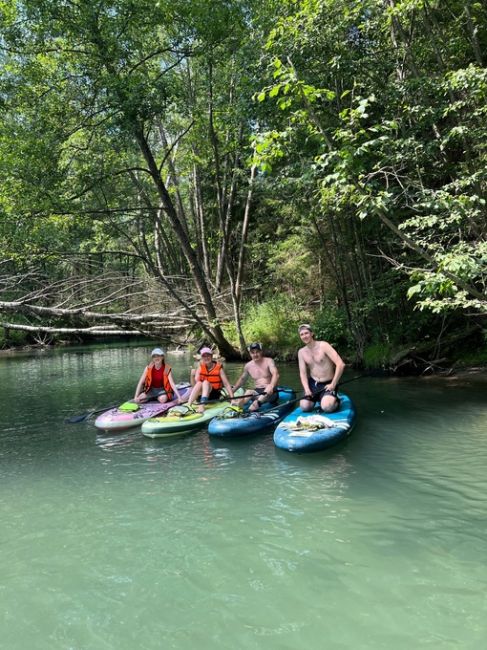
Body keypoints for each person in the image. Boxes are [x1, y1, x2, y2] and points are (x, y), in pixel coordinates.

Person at [297, 324, 345, 413]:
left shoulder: (323, 345)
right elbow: (303, 373)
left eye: (306, 333)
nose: (304, 336)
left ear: (312, 333)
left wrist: (333, 384)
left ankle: (336, 400)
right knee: (304, 407)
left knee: (327, 407)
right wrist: (307, 389)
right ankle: (320, 398)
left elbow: (340, 364)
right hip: (313, 384)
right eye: (302, 334)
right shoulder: (301, 352)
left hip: (328, 383)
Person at [232, 342, 280, 412]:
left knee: (269, 386)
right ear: (250, 354)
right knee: (249, 391)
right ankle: (238, 406)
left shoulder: (269, 361)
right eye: (252, 352)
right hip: (258, 392)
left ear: (261, 352)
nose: (255, 354)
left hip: (271, 393)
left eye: (257, 352)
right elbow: (242, 380)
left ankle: (257, 404)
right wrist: (232, 392)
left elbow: (276, 374)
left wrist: (272, 386)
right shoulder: (248, 366)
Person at [187, 347, 234, 413]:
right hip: (201, 396)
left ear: (211, 356)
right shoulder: (200, 368)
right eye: (204, 356)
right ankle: (189, 404)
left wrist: (232, 399)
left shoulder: (219, 368)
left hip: (214, 396)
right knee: (199, 383)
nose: (206, 358)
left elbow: (226, 384)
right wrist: (192, 376)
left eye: (208, 355)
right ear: (202, 358)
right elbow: (194, 386)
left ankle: (201, 406)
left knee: (205, 382)